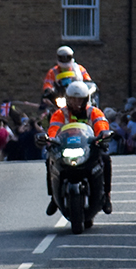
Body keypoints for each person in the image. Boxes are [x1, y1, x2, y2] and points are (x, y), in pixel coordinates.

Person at [42, 80, 113, 215]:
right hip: (66, 148)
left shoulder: (94, 112)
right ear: (67, 99)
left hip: (89, 147)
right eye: (73, 99)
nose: (76, 103)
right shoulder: (60, 113)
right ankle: (53, 198)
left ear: (86, 99)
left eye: (79, 100)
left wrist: (102, 136)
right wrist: (50, 140)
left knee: (105, 158)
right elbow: (54, 128)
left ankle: (107, 195)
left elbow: (101, 125)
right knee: (49, 160)